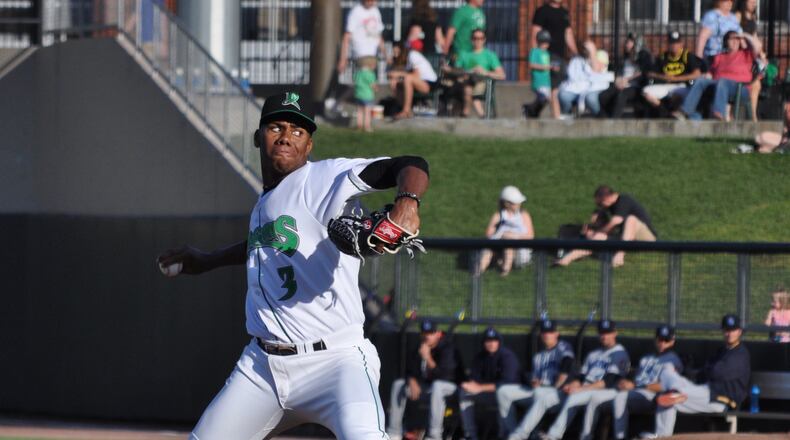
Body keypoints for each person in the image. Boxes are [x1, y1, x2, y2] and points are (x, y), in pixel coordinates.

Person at [157, 91, 430, 439]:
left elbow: (410, 164)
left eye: (297, 131)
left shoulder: (323, 178)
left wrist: (407, 203)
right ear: (260, 137)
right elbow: (262, 246)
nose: (286, 135)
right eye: (276, 126)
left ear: (309, 144)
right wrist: (208, 260)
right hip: (262, 368)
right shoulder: (266, 201)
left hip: (336, 361)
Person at [651, 314, 751, 438]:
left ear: (739, 332)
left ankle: (661, 436)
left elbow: (716, 373)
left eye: (733, 330)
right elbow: (706, 371)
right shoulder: (723, 350)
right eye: (726, 330)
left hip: (723, 399)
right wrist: (704, 371)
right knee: (669, 377)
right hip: (707, 391)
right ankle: (662, 434)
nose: (729, 333)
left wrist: (708, 369)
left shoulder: (740, 354)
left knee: (668, 398)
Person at [535, 320, 630, 440]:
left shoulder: (619, 353)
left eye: (608, 332)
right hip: (586, 389)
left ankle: (554, 435)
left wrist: (581, 389)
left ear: (615, 333)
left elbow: (608, 381)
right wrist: (573, 385)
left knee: (575, 397)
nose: (604, 336)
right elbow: (581, 376)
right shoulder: (593, 354)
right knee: (547, 397)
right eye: (602, 333)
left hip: (606, 391)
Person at [499, 319, 575, 439]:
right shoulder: (538, 357)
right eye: (544, 332)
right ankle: (512, 431)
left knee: (539, 392)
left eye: (550, 332)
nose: (547, 335)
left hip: (559, 393)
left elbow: (567, 364)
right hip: (539, 392)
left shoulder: (563, 347)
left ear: (556, 333)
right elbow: (534, 379)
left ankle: (523, 434)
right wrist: (533, 381)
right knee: (503, 391)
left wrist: (555, 386)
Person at [387, 320, 462, 440]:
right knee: (399, 384)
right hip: (428, 389)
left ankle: (434, 435)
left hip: (451, 389)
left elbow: (446, 376)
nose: (427, 336)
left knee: (438, 386)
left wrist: (428, 358)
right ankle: (394, 432)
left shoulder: (447, 348)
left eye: (431, 332)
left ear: (437, 333)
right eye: (424, 332)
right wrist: (411, 380)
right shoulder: (419, 347)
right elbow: (409, 370)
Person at [610, 325, 684, 440]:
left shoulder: (672, 360)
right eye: (660, 339)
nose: (662, 343)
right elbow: (636, 379)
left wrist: (634, 385)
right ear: (655, 340)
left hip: (653, 396)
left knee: (620, 397)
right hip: (638, 392)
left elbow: (665, 385)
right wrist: (625, 382)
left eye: (666, 340)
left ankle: (620, 437)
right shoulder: (646, 358)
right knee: (618, 395)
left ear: (672, 341)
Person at [555, 185, 656, 268]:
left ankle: (620, 255)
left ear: (607, 198)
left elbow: (616, 221)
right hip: (628, 239)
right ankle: (566, 259)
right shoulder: (611, 206)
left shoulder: (624, 200)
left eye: (600, 203)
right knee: (598, 238)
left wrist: (600, 231)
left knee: (631, 219)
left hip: (646, 238)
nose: (600, 205)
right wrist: (594, 231)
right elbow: (606, 226)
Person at [676, 31, 761, 121]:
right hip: (718, 87)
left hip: (739, 88)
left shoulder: (746, 54)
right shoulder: (719, 57)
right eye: (732, 39)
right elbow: (711, 74)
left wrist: (743, 35)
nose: (735, 41)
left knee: (723, 81)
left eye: (737, 39)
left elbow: (758, 46)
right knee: (701, 81)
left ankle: (719, 114)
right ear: (726, 42)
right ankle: (685, 112)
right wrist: (705, 77)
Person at [458, 327, 520, 440]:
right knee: (464, 393)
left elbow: (507, 383)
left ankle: (504, 435)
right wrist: (469, 385)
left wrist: (480, 388)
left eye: (494, 340)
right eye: (488, 341)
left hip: (510, 395)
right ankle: (470, 434)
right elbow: (474, 378)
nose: (491, 343)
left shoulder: (507, 356)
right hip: (489, 393)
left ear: (499, 342)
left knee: (502, 393)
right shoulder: (480, 357)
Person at [531, 0, 579, 118]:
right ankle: (557, 115)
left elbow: (568, 33)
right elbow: (535, 33)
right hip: (546, 55)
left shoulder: (564, 12)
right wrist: (535, 55)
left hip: (561, 55)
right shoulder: (542, 11)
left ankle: (530, 110)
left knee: (559, 85)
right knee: (553, 87)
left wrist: (576, 53)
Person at [477, 185, 534, 276]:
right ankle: (478, 272)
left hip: (519, 250)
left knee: (508, 246)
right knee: (488, 250)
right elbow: (489, 234)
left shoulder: (524, 215)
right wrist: (501, 235)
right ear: (507, 204)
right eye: (516, 203)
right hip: (500, 245)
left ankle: (505, 271)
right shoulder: (499, 215)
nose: (519, 204)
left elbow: (530, 236)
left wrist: (513, 236)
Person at [642, 31, 703, 115]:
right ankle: (664, 111)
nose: (674, 46)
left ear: (681, 44)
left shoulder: (687, 56)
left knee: (678, 96)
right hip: (666, 86)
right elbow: (650, 73)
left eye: (677, 43)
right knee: (646, 91)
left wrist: (676, 78)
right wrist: (664, 77)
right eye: (672, 43)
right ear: (668, 44)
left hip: (682, 86)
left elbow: (697, 74)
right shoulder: (663, 57)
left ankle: (675, 113)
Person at [452, 28, 506, 118]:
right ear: (471, 40)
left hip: (482, 82)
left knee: (469, 89)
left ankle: (467, 114)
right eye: (475, 38)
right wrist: (469, 71)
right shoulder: (464, 54)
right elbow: (456, 70)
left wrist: (485, 72)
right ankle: (480, 115)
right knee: (467, 87)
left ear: (484, 39)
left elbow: (502, 75)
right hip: (464, 82)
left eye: (481, 38)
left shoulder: (490, 55)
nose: (478, 41)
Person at [598, 33, 653, 118]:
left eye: (628, 42)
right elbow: (618, 72)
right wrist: (618, 80)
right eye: (626, 42)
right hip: (621, 84)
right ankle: (604, 119)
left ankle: (613, 122)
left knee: (621, 95)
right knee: (603, 96)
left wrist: (627, 80)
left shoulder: (643, 57)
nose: (626, 44)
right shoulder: (624, 58)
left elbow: (643, 73)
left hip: (635, 87)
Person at [558, 40, 611, 117]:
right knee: (563, 96)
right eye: (584, 48)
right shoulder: (577, 59)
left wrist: (592, 53)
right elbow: (572, 75)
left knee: (590, 99)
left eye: (587, 48)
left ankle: (600, 117)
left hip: (595, 87)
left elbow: (596, 70)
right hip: (577, 87)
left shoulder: (600, 55)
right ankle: (568, 116)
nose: (585, 50)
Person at [388, 41, 439, 120]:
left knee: (408, 79)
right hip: (419, 82)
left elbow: (415, 75)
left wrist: (398, 74)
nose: (395, 55)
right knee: (394, 82)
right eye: (394, 52)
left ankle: (406, 110)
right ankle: (402, 108)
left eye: (397, 52)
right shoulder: (406, 61)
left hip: (429, 83)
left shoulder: (413, 55)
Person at [735, 0, 766, 121]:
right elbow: (737, 34)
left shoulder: (753, 17)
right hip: (741, 55)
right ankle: (752, 116)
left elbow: (754, 36)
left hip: (751, 54)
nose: (754, 4)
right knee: (754, 82)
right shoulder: (738, 15)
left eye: (755, 2)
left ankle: (753, 116)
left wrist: (762, 53)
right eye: (751, 1)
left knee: (756, 82)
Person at [338, 0, 386, 75]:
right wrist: (343, 59)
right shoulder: (356, 12)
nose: (371, 2)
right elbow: (347, 37)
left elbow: (379, 36)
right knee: (366, 81)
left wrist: (386, 54)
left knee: (369, 81)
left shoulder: (375, 11)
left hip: (373, 55)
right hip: (361, 53)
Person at [696, 0, 742, 67]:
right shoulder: (712, 16)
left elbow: (741, 36)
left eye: (731, 1)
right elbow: (702, 38)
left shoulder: (733, 18)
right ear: (718, 2)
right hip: (714, 56)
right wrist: (698, 59)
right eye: (726, 1)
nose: (730, 3)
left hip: (732, 57)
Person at [523, 30, 555, 118]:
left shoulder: (547, 53)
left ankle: (533, 112)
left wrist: (552, 67)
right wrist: (546, 67)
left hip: (547, 81)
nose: (546, 45)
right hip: (538, 81)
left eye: (547, 43)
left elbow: (548, 66)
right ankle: (529, 109)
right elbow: (531, 64)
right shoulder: (535, 51)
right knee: (543, 98)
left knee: (546, 100)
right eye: (544, 43)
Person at [354, 62, 377, 132]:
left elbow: (354, 80)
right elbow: (372, 85)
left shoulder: (358, 73)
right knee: (367, 112)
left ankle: (359, 126)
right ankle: (367, 126)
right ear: (371, 65)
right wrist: (376, 89)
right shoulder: (370, 74)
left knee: (359, 111)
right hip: (367, 96)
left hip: (358, 95)